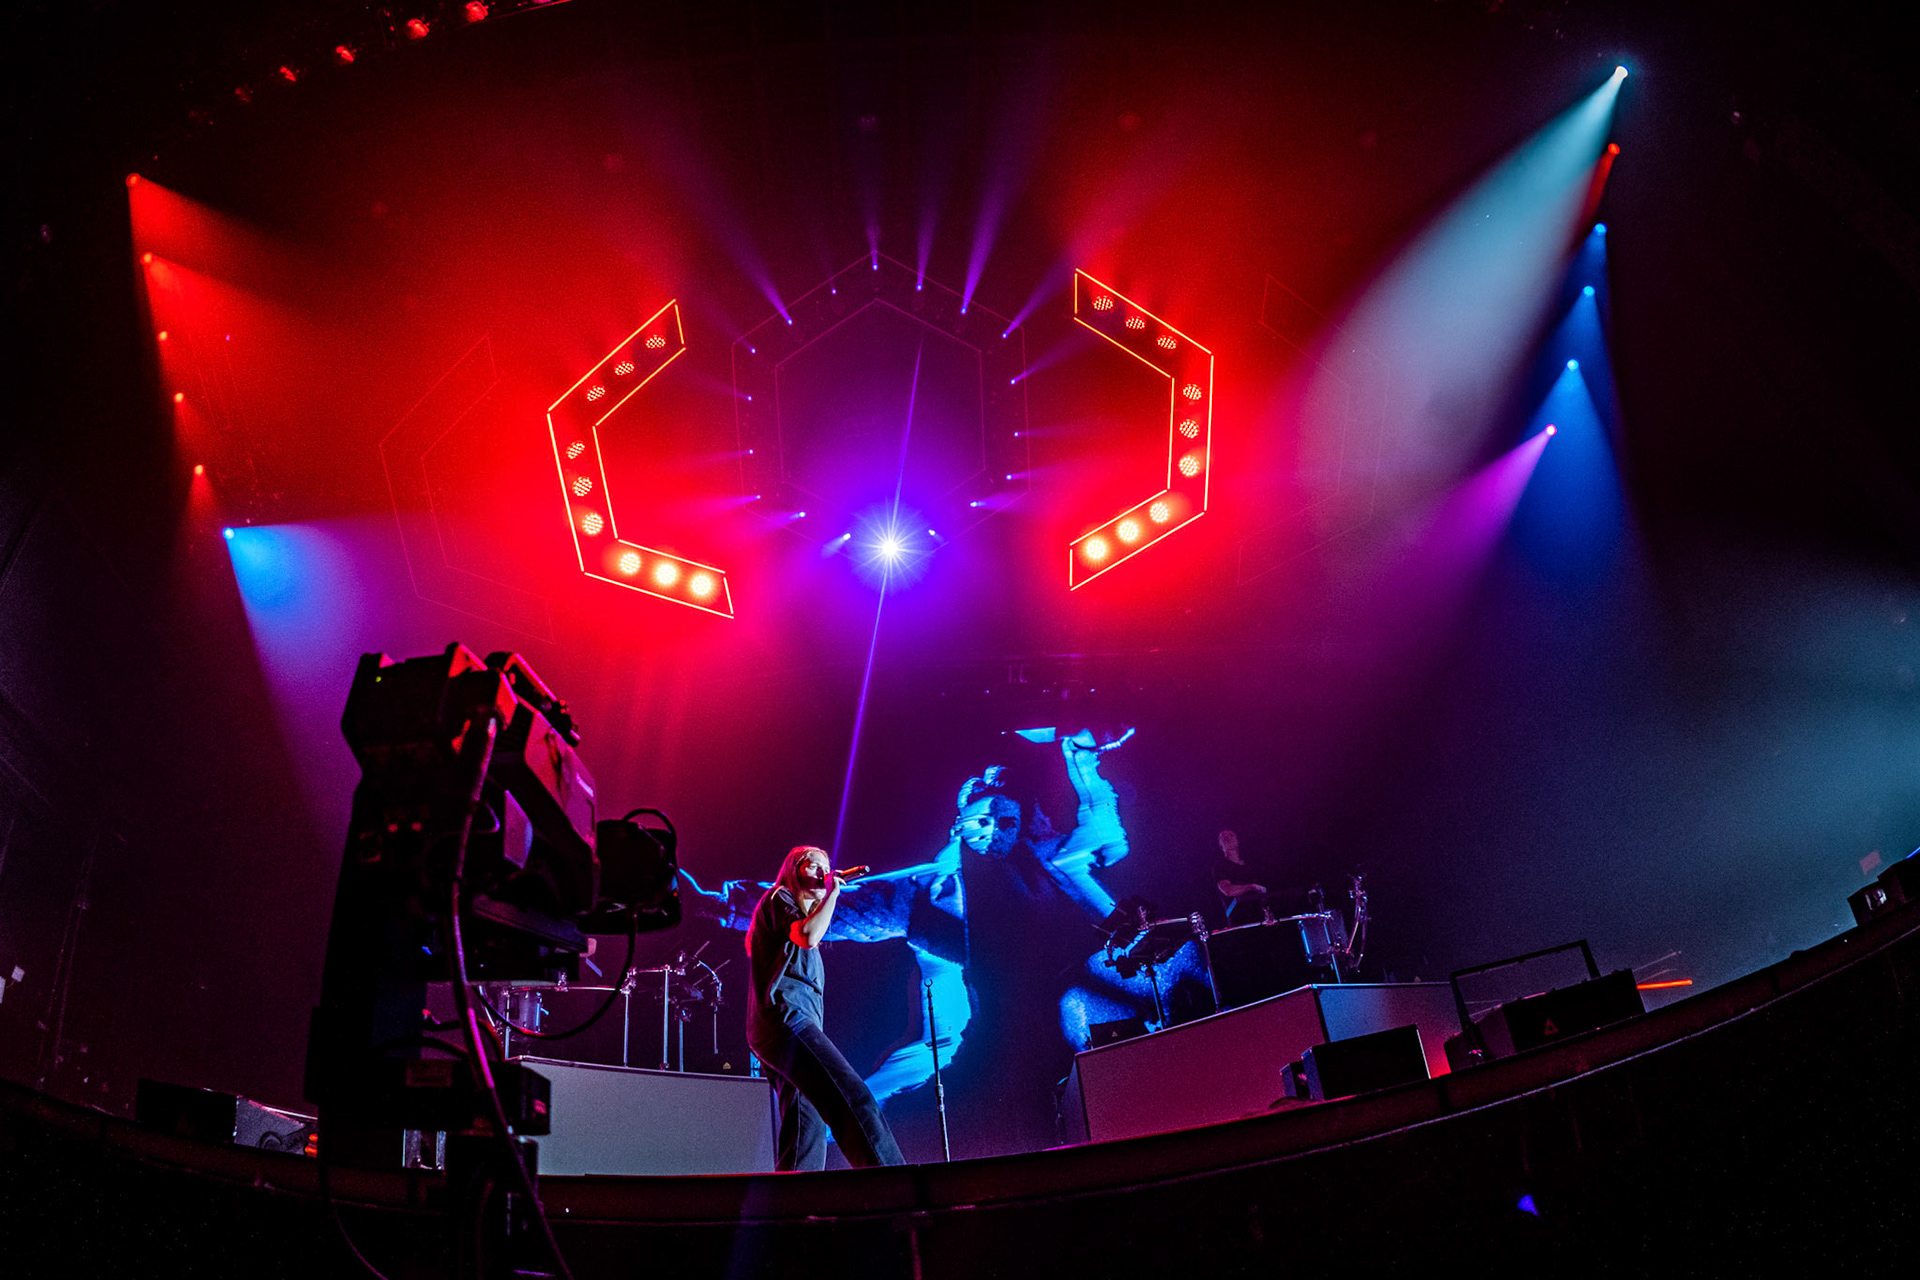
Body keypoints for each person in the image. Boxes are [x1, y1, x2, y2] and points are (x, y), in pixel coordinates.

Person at [744, 844, 905, 1171]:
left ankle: (796, 1199)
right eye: (814, 865)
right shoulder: (779, 897)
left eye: (826, 867)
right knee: (852, 1097)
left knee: (806, 1124)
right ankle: (896, 1183)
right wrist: (832, 892)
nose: (823, 872)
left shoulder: (801, 916)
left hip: (784, 1026)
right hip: (785, 1021)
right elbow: (807, 935)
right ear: (794, 870)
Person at [1211, 829, 1270, 923]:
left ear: (1237, 840)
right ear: (1220, 846)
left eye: (1231, 835)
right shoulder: (1220, 866)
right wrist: (1251, 887)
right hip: (1239, 919)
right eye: (1224, 837)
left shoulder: (1251, 863)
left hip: (1261, 915)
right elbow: (1228, 890)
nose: (1228, 838)